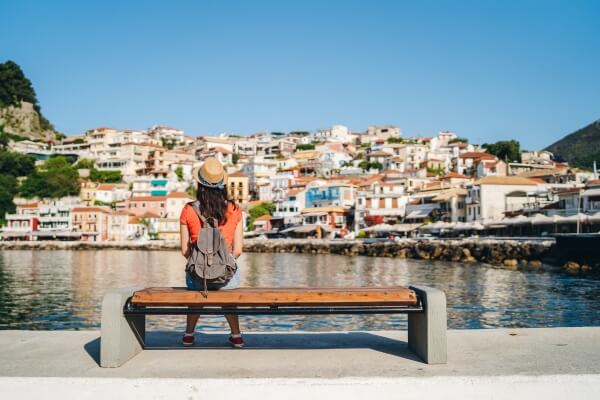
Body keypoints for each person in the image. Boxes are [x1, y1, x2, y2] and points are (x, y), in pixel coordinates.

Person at [179, 157, 244, 348]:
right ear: (223, 183)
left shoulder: (188, 209)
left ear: (200, 183)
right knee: (229, 299)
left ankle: (189, 335)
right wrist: (222, 264)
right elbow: (238, 250)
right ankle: (237, 336)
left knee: (195, 296)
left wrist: (202, 264)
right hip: (227, 276)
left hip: (198, 276)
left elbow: (184, 250)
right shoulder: (234, 209)